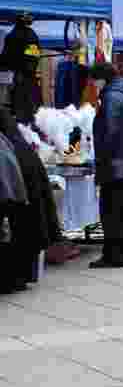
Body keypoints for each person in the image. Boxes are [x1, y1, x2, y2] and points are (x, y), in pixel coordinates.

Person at [89, 62, 123, 269]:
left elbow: (109, 132)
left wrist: (102, 161)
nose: (94, 85)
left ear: (101, 79)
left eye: (94, 81)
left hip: (116, 164)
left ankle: (113, 255)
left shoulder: (110, 97)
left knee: (111, 212)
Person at [0, 108, 60, 293]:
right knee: (25, 238)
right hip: (26, 199)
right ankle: (21, 278)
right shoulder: (21, 145)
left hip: (16, 200)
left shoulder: (8, 147)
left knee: (14, 238)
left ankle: (11, 280)